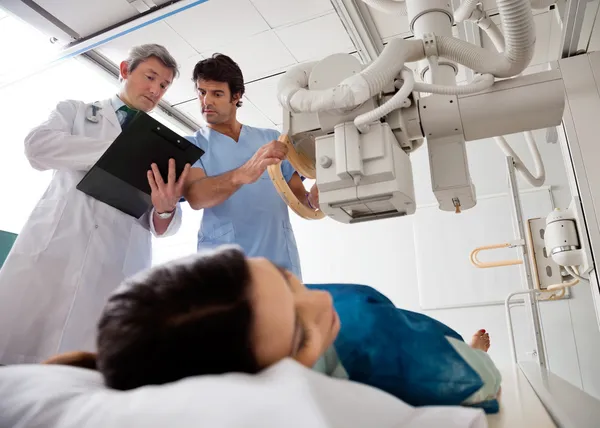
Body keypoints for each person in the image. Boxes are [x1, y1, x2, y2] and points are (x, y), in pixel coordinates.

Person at [86, 246, 501, 411]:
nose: (320, 301)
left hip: (369, 315)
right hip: (372, 334)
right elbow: (482, 384)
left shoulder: (327, 307)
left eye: (287, 277)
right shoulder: (379, 356)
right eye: (300, 334)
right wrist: (474, 365)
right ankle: (465, 347)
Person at [0, 44, 191, 365]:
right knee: (15, 361)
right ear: (125, 70)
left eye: (164, 85)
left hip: (112, 266)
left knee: (85, 376)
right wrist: (119, 149)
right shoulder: (75, 112)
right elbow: (38, 148)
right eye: (151, 77)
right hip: (56, 251)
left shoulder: (160, 147)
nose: (156, 90)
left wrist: (166, 208)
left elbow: (162, 225)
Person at [182, 54, 318, 280]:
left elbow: (299, 197)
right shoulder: (193, 145)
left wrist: (316, 198)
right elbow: (195, 197)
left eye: (217, 94)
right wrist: (242, 174)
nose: (206, 101)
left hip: (280, 266)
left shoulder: (271, 140)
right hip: (225, 274)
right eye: (202, 92)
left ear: (236, 96)